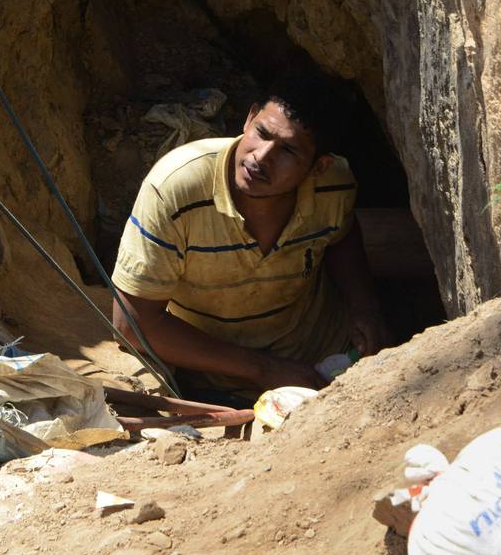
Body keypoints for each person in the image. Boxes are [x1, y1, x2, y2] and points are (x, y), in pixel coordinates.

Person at [111, 72, 390, 403]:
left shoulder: (333, 185)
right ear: (250, 117)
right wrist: (264, 370)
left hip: (327, 361)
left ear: (318, 167)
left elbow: (342, 234)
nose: (262, 156)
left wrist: (364, 306)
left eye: (288, 150)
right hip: (215, 383)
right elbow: (132, 324)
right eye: (262, 133)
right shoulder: (177, 188)